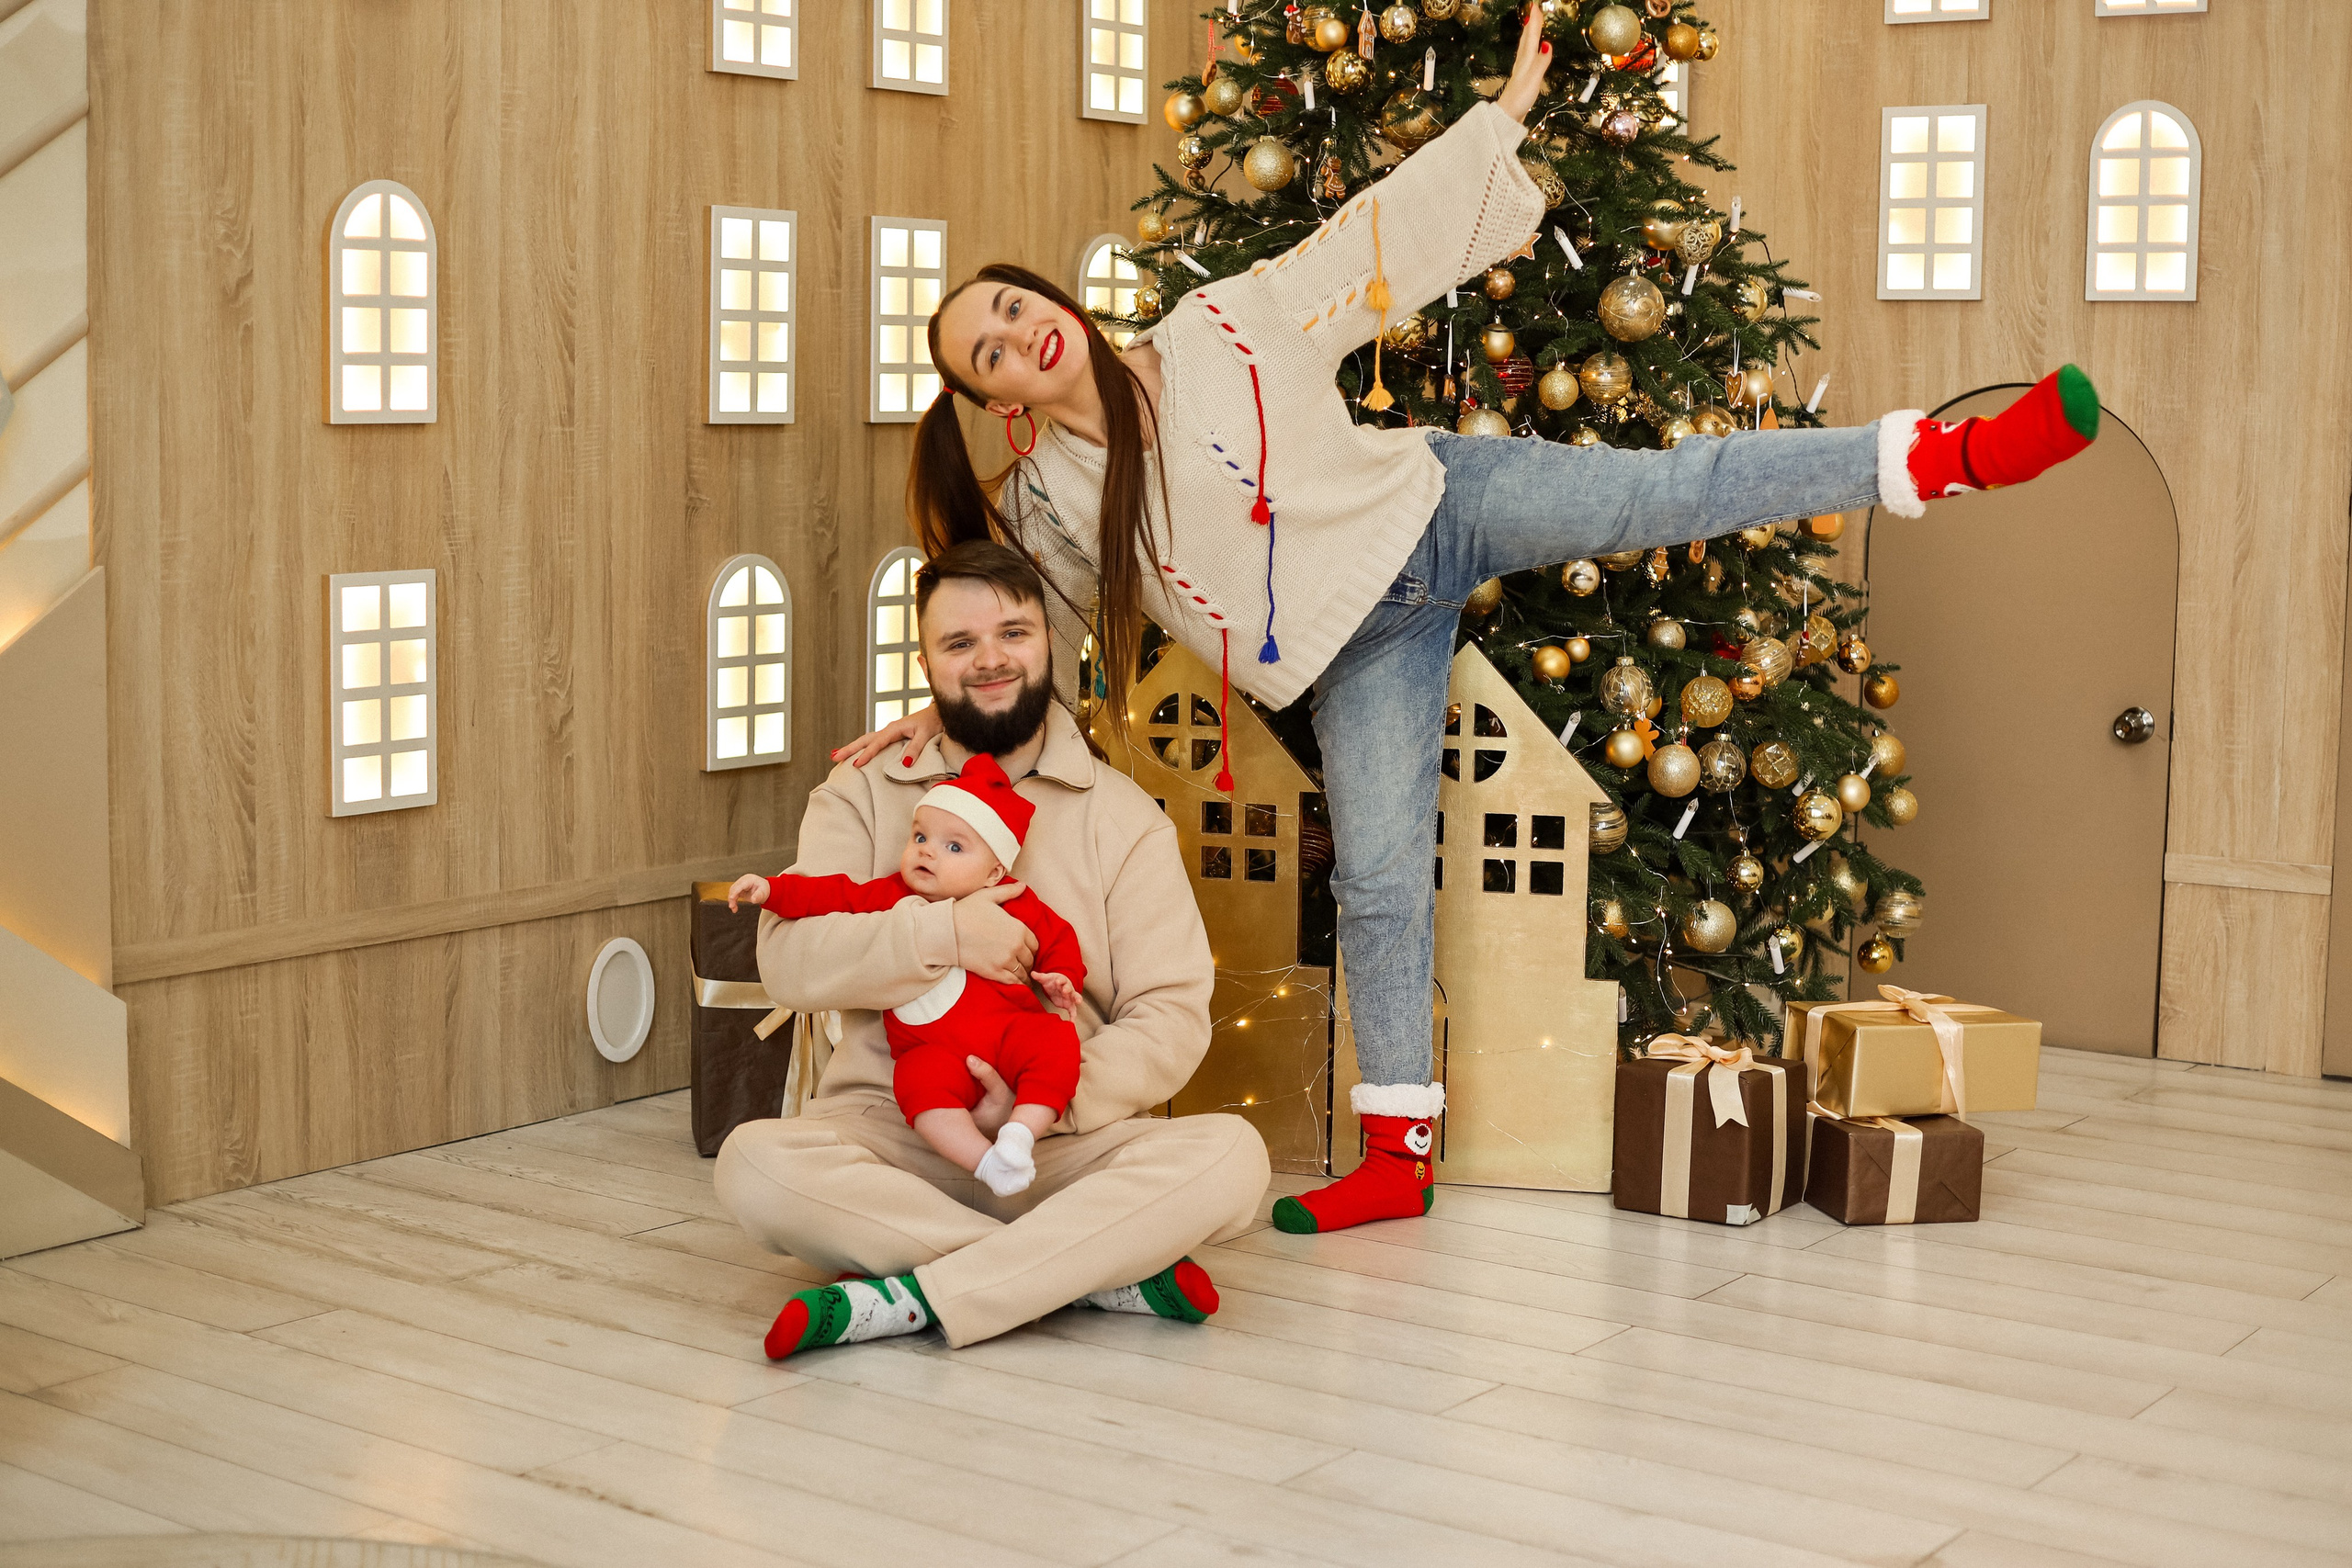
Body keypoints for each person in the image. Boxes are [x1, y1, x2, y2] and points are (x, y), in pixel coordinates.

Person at [839, 3, 2102, 1235]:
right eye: (988, 354)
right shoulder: (1057, 497)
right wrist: (934, 715)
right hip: (1359, 647)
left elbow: (1356, 246)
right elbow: (1026, 639)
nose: (1017, 337)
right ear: (995, 400)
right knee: (1385, 879)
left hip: (1437, 503)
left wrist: (1496, 118)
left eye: (1011, 308)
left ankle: (1947, 455)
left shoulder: (1216, 320)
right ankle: (1399, 1150)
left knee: (1671, 487)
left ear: (1044, 297)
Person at [716, 540, 1267, 1359]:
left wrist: (1046, 1105)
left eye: (1013, 632)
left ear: (1049, 639)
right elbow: (790, 962)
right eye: (959, 642)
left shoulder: (1122, 819)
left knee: (1232, 1156)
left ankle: (910, 1291)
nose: (990, 660)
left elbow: (1174, 1016)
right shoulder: (863, 792)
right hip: (891, 1133)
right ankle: (1086, 1271)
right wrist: (945, 934)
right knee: (753, 1164)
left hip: (1064, 1140)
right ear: (926, 659)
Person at [724, 752, 1088, 1198]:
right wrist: (774, 889)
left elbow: (1058, 937)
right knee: (914, 1083)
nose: (927, 851)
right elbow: (835, 895)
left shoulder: (1013, 899)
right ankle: (986, 1163)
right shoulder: (893, 893)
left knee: (1055, 1041)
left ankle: (1021, 1134)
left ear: (996, 870)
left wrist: (1062, 976)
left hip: (1008, 1032)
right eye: (920, 836)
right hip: (932, 1052)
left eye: (954, 847)